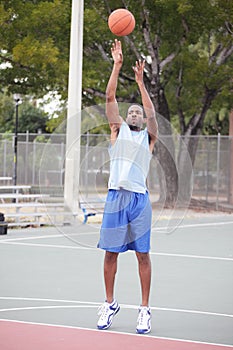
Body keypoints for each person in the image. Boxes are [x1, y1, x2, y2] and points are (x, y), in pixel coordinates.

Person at [97, 39, 158, 334]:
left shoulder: (148, 138)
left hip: (139, 200)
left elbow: (153, 115)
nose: (133, 113)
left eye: (137, 112)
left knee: (142, 255)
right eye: (130, 111)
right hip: (115, 198)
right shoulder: (117, 131)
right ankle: (109, 303)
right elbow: (109, 97)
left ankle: (144, 309)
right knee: (110, 254)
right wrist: (117, 65)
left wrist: (140, 84)